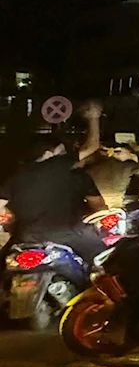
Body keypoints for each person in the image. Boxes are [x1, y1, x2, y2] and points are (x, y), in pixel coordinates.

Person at [0, 102, 106, 263]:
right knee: (104, 263)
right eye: (61, 151)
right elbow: (92, 146)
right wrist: (93, 118)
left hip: (26, 238)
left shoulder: (15, 177)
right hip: (70, 236)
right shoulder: (58, 165)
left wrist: (12, 222)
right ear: (49, 153)